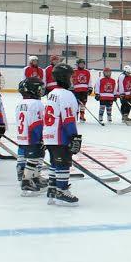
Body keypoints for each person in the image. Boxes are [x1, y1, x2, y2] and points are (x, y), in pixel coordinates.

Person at [44, 63, 82, 206]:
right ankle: (61, 191)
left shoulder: (52, 93)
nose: (72, 79)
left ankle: (52, 189)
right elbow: (68, 118)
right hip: (61, 135)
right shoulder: (66, 94)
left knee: (54, 163)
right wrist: (74, 136)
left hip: (49, 135)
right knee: (64, 164)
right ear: (65, 77)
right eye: (71, 76)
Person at [15, 77, 48, 195]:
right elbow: (37, 123)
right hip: (32, 136)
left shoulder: (21, 103)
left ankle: (35, 178)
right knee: (34, 158)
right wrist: (42, 137)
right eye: (39, 88)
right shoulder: (36, 103)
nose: (41, 90)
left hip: (22, 136)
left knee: (35, 156)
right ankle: (26, 182)